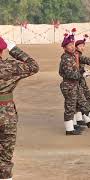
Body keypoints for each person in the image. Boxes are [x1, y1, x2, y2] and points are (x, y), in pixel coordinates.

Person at [0, 37, 39, 180]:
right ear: (2, 50)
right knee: (5, 158)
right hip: (7, 115)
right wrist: (14, 50)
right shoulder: (10, 67)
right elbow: (34, 66)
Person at [59, 29, 90, 135]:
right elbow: (69, 73)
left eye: (72, 44)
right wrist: (82, 74)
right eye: (69, 45)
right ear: (64, 47)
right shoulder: (66, 59)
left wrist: (85, 70)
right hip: (69, 85)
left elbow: (81, 64)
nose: (71, 46)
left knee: (82, 103)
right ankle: (69, 130)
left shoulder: (71, 56)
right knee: (70, 107)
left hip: (74, 84)